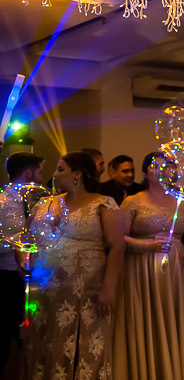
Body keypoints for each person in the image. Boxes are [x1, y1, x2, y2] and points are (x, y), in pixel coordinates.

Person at [24, 151, 124, 379]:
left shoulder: (102, 204)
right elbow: (27, 239)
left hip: (86, 292)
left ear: (77, 174)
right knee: (46, 344)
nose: (54, 174)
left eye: (61, 169)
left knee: (83, 346)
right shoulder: (46, 203)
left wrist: (108, 288)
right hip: (45, 292)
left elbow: (117, 247)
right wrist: (24, 258)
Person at [112, 152, 184, 380]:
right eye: (156, 166)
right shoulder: (133, 201)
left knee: (174, 322)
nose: (162, 169)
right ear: (144, 173)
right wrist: (146, 245)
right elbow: (117, 238)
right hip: (142, 271)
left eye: (167, 165)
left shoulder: (181, 202)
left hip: (176, 273)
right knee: (147, 323)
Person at [0, 152, 43, 373]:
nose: (41, 177)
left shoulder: (24, 199)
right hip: (9, 275)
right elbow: (11, 240)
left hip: (20, 273)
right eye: (39, 172)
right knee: (10, 332)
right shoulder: (8, 202)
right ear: (28, 173)